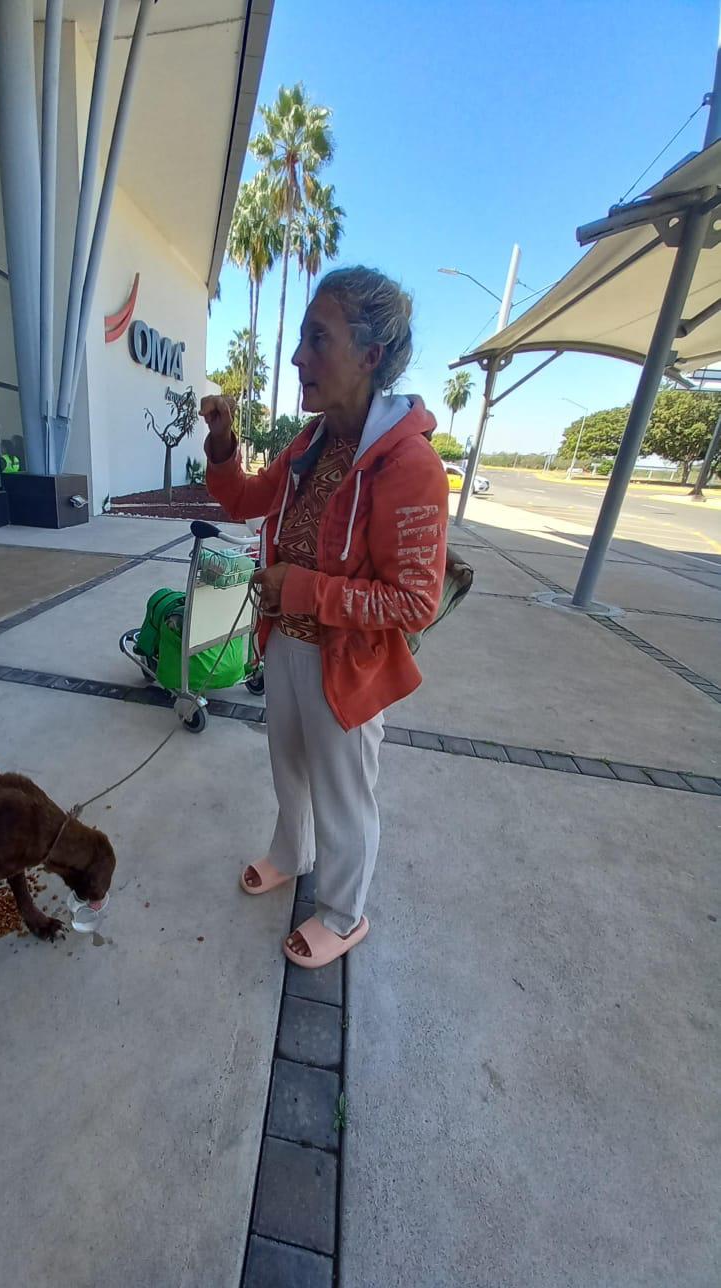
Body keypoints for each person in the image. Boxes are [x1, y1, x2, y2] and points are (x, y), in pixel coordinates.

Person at [201, 265, 448, 969]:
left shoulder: (410, 464)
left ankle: (342, 913)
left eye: (317, 339)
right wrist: (223, 444)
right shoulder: (310, 444)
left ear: (369, 356)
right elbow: (247, 500)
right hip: (284, 645)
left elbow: (412, 601)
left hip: (349, 667)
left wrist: (304, 589)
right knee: (288, 766)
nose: (297, 357)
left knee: (345, 795)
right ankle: (290, 852)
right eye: (302, 338)